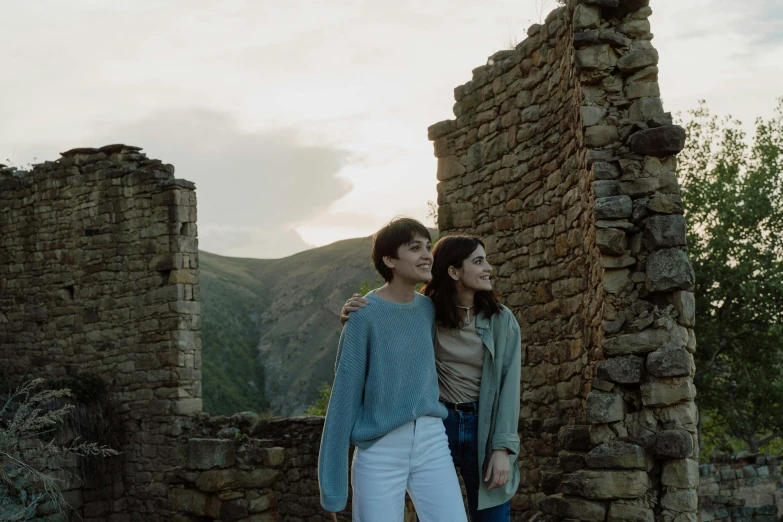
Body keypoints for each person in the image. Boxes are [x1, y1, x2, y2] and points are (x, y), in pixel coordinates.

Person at [341, 234, 522, 522]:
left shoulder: (502, 320)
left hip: (483, 429)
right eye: (478, 261)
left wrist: (503, 449)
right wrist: (358, 312)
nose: (489, 268)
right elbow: (391, 321)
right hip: (438, 424)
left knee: (494, 517)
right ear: (453, 271)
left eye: (486, 260)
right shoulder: (427, 311)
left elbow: (509, 387)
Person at [318, 218, 467, 522]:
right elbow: (343, 401)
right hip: (380, 449)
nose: (427, 254)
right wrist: (332, 491)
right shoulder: (363, 316)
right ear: (389, 260)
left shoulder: (428, 309)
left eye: (428, 246)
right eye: (415, 248)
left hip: (432, 440)